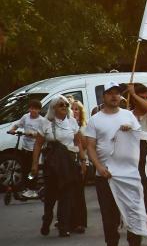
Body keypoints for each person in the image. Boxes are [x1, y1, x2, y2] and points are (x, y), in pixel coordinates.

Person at [83, 81, 143, 246]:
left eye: (117, 93)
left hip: (129, 173)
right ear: (104, 97)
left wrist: (130, 129)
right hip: (106, 174)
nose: (114, 96)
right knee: (109, 214)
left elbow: (139, 139)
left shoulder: (129, 115)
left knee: (133, 210)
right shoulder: (95, 120)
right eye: (110, 93)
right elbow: (90, 146)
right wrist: (99, 167)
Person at [30, 96, 84, 238]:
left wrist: (83, 160)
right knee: (51, 196)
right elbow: (38, 144)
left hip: (69, 164)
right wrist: (34, 164)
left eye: (66, 104)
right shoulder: (46, 123)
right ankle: (47, 219)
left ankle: (63, 226)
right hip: (52, 166)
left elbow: (78, 142)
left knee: (66, 195)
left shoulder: (72, 122)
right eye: (61, 105)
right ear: (54, 108)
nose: (64, 107)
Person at [10, 99, 46, 195]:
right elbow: (17, 124)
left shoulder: (42, 121)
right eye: (31, 108)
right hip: (25, 147)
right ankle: (25, 187)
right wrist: (12, 129)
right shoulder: (26, 117)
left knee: (33, 168)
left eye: (35, 109)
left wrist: (33, 134)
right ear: (29, 109)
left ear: (39, 110)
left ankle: (32, 187)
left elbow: (43, 134)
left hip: (35, 148)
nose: (33, 111)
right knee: (24, 167)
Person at [69, 99, 88, 233]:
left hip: (81, 161)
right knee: (68, 193)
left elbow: (86, 145)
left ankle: (80, 222)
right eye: (72, 109)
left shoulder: (83, 127)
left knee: (79, 193)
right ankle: (68, 220)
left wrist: (77, 130)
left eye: (77, 109)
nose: (74, 111)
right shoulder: (66, 124)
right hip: (67, 163)